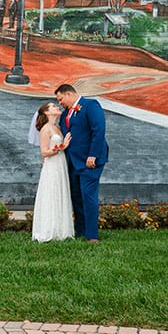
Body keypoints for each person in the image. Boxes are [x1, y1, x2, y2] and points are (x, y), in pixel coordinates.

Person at [55, 84, 109, 242]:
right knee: (76, 196)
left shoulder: (90, 105)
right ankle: (80, 230)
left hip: (89, 161)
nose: (60, 103)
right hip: (72, 162)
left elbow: (98, 130)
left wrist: (93, 154)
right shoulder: (65, 114)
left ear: (69, 94)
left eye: (61, 99)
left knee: (88, 196)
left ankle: (92, 235)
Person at [31, 102, 74, 242]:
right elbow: (44, 152)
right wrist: (63, 146)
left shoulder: (57, 127)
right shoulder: (46, 129)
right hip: (52, 165)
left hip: (60, 163)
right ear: (47, 113)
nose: (57, 107)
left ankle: (61, 229)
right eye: (53, 107)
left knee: (60, 191)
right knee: (52, 193)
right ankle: (49, 229)